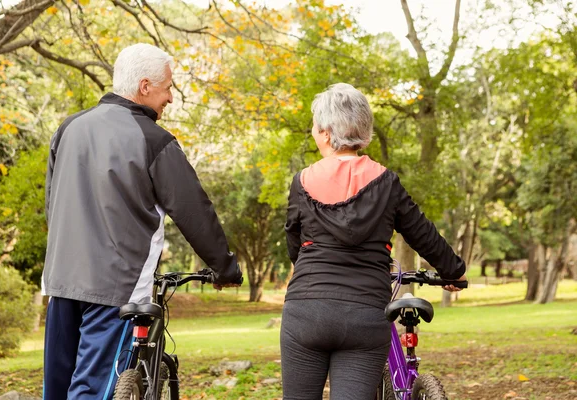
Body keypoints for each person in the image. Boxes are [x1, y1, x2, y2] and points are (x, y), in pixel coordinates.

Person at [42, 43, 242, 400]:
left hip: (60, 281)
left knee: (58, 387)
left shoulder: (67, 129)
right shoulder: (154, 140)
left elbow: (52, 205)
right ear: (145, 86)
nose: (170, 98)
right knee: (92, 389)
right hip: (115, 287)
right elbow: (193, 209)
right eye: (168, 87)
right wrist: (224, 268)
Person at [281, 83, 466, 400]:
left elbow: (293, 241)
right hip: (365, 314)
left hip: (307, 312)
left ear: (325, 132)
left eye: (315, 124)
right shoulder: (386, 181)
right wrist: (453, 271)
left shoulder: (303, 180)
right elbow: (421, 231)